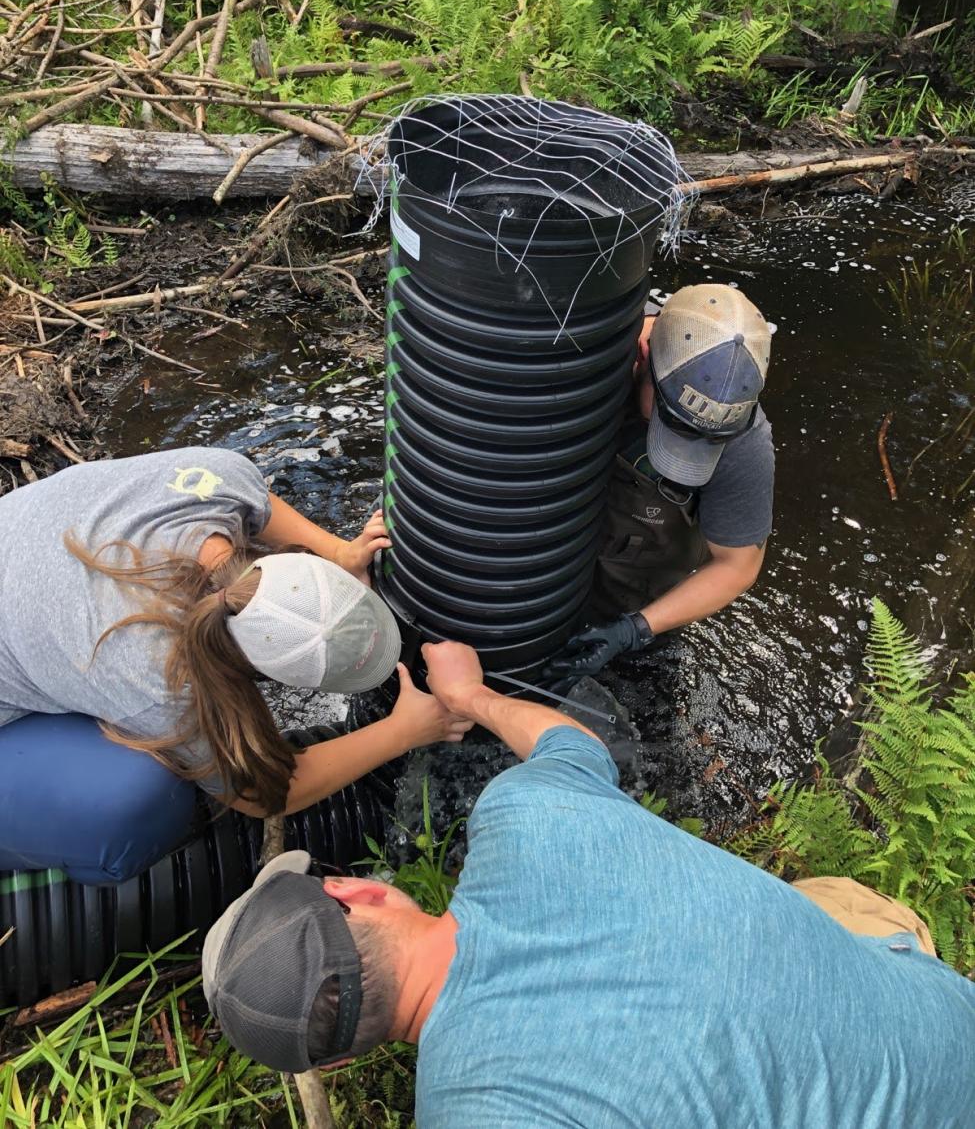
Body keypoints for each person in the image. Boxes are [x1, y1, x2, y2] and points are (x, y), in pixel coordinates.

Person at [203, 642, 975, 1128]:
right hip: (945, 1025)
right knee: (830, 902)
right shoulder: (529, 819)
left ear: (337, 1063)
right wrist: (469, 697)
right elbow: (568, 743)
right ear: (360, 894)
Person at [0, 447, 471, 884]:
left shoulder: (219, 482)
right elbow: (264, 794)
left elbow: (261, 507)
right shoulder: (161, 680)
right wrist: (405, 731)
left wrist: (339, 552)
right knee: (140, 797)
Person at [546, 282, 775, 688]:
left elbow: (738, 565)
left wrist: (633, 631)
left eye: (707, 441)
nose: (689, 447)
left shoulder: (744, 441)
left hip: (633, 594)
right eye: (673, 424)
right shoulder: (576, 353)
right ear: (643, 356)